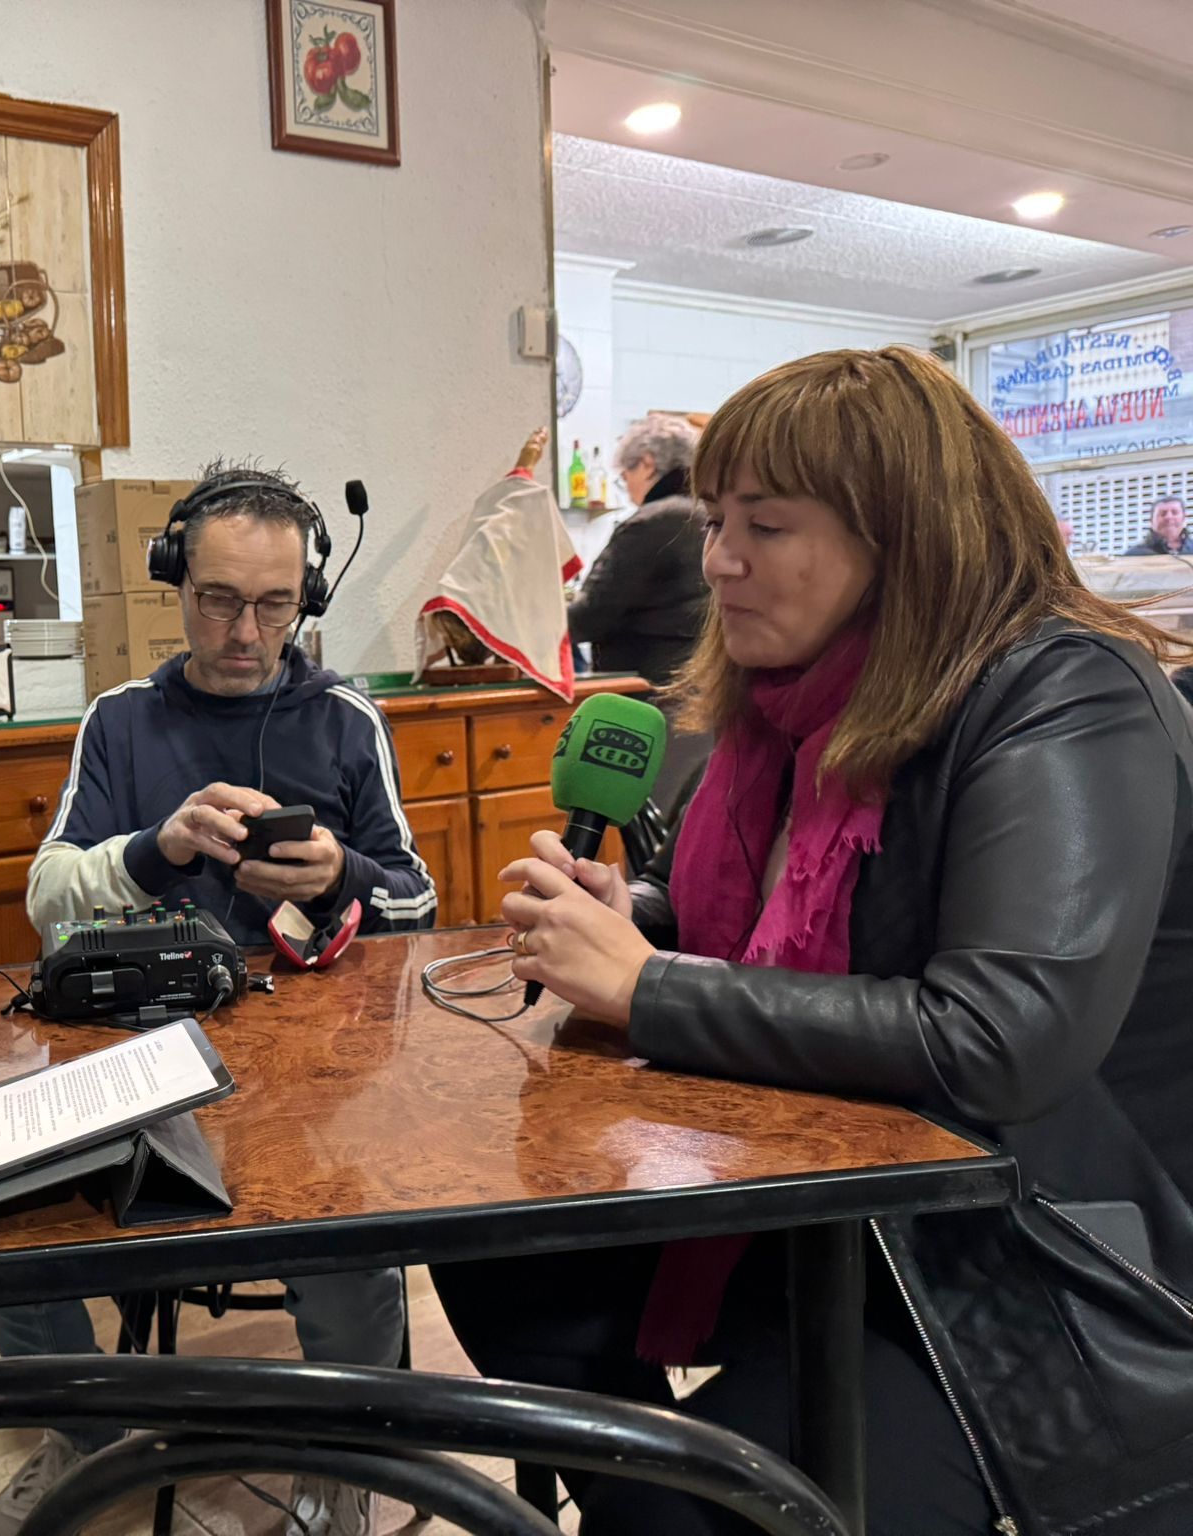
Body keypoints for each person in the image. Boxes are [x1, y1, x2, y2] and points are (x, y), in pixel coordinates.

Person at [434, 345, 1193, 1535]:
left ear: (904, 536)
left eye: (765, 526)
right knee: (499, 1252)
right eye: (715, 519)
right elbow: (765, 931)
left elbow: (1002, 1037)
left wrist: (650, 990)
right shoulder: (782, 710)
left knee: (685, 1513)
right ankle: (649, 1479)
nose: (717, 560)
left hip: (1020, 1262)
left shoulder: (1066, 698)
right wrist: (625, 920)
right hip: (847, 1194)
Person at [0, 463, 431, 1536]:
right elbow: (46, 899)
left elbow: (417, 897)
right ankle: (92, 1438)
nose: (244, 630)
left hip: (314, 1064)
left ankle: (342, 1457)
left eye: (273, 605)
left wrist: (337, 878)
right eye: (219, 599)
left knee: (345, 1214)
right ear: (175, 584)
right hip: (139, 1049)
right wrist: (153, 846)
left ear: (305, 601)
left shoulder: (345, 719)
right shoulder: (121, 722)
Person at [569, 415, 710, 809]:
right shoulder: (707, 515)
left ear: (647, 463)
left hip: (655, 695)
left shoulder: (653, 520)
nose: (627, 487)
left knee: (650, 819)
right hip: (705, 687)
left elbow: (590, 615)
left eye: (625, 474)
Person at [1123, 492, 1189, 556]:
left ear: (1184, 518)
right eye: (1163, 514)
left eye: (1174, 513)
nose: (1169, 517)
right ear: (1151, 521)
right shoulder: (1134, 555)